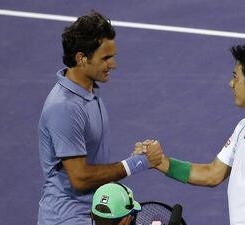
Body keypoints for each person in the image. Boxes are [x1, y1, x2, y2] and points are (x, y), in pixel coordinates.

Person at [137, 38, 245, 225]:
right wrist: (160, 162)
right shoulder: (244, 127)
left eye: (236, 77)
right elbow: (212, 173)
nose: (231, 83)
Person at [37, 11, 162, 225]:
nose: (113, 64)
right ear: (81, 58)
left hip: (94, 212)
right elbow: (80, 178)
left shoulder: (88, 92)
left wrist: (132, 159)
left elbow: (93, 165)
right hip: (69, 218)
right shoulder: (65, 107)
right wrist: (137, 163)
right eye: (105, 58)